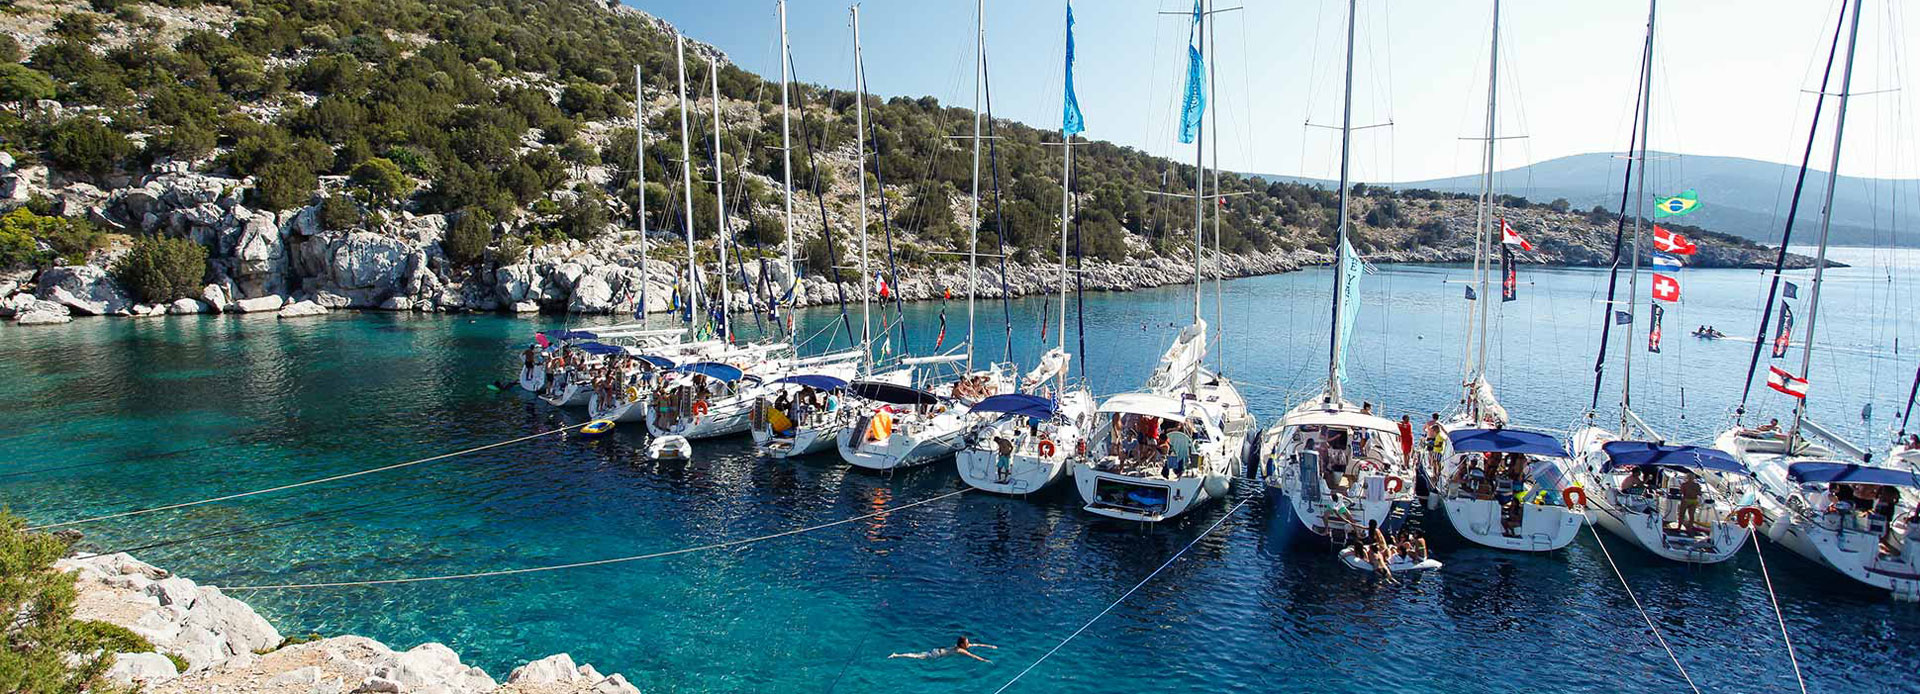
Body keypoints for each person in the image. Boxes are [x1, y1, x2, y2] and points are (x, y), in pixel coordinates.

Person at [889, 636, 998, 663]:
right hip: (936, 655)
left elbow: (977, 645)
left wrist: (990, 646)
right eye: (967, 643)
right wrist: (984, 660)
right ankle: (896, 655)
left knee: (917, 655)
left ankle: (897, 655)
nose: (969, 644)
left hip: (938, 650)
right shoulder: (960, 650)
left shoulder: (960, 647)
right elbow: (972, 656)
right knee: (916, 656)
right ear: (962, 644)